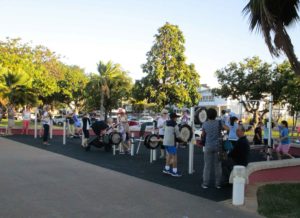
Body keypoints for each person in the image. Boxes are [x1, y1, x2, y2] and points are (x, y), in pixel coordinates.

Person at [201, 108, 229, 189]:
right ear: (215, 115)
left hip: (208, 146)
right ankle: (218, 184)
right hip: (218, 146)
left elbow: (203, 135)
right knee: (218, 166)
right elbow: (227, 128)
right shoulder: (219, 122)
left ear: (207, 115)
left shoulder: (205, 124)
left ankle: (205, 184)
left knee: (207, 165)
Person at [162, 112, 182, 177]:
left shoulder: (166, 123)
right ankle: (174, 171)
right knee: (174, 157)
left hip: (165, 142)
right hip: (171, 143)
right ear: (174, 118)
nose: (177, 118)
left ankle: (166, 169)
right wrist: (183, 140)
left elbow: (163, 129)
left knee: (169, 156)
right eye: (176, 117)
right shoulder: (175, 125)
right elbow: (178, 135)